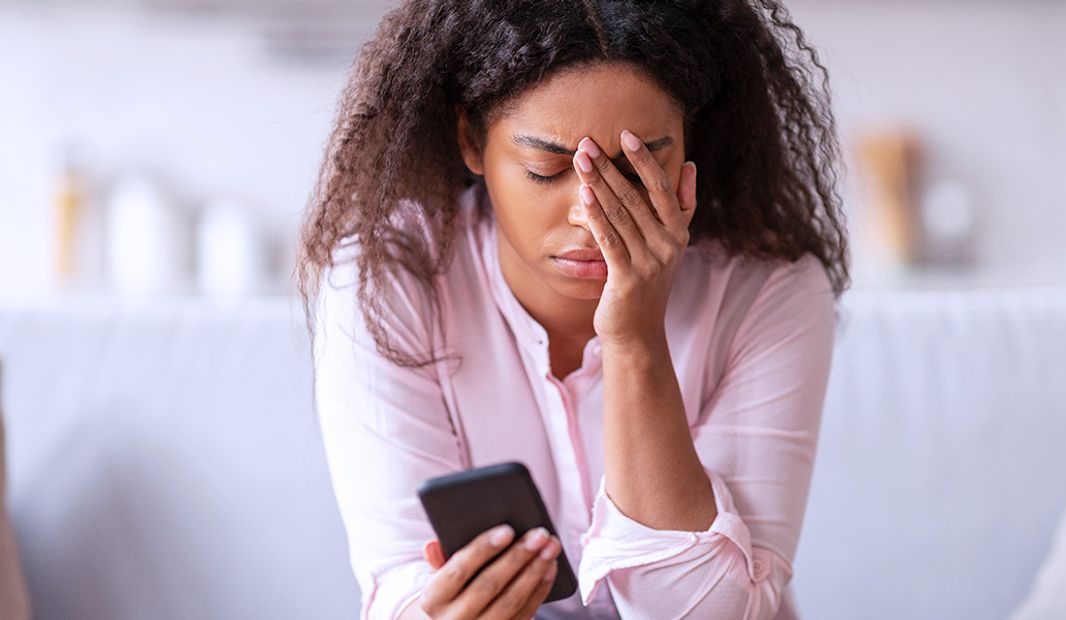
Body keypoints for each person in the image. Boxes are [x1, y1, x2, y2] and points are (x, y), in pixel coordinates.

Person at [296, 1, 849, 618]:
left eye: (637, 170)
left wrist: (636, 342)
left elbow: (713, 611)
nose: (592, 214)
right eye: (545, 170)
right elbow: (400, 587)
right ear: (470, 141)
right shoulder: (385, 279)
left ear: (689, 143)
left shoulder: (768, 292)